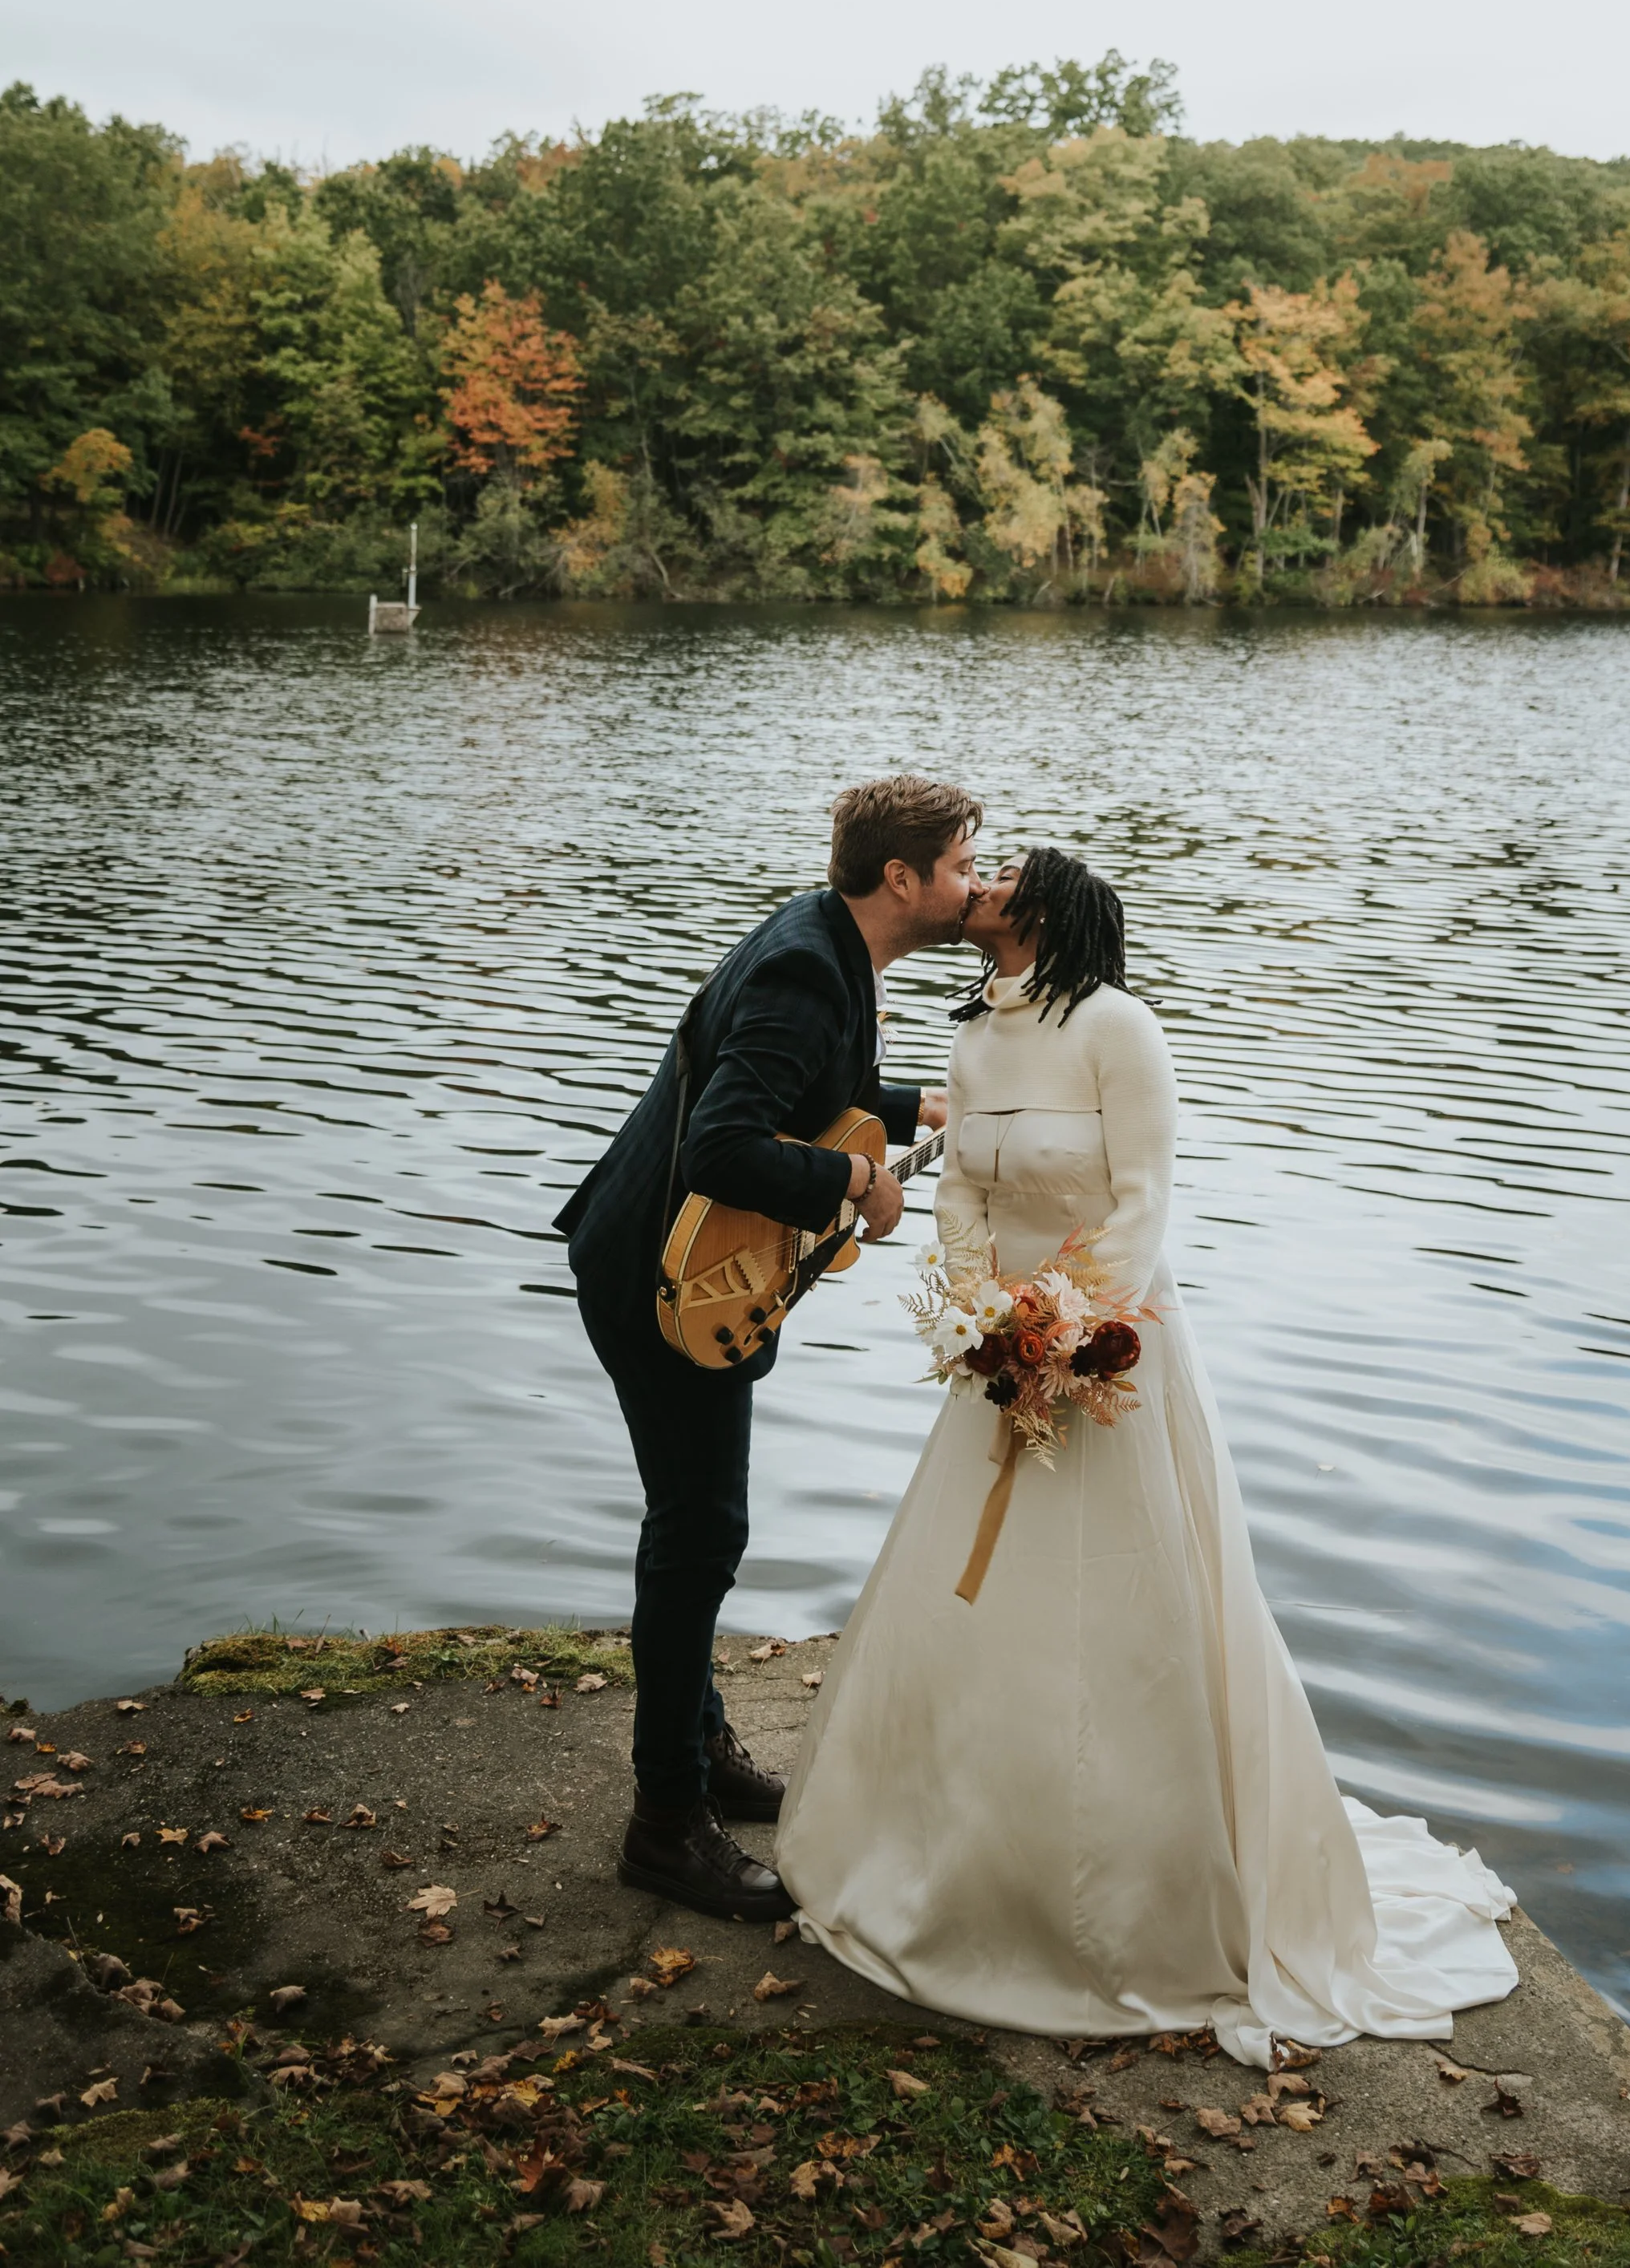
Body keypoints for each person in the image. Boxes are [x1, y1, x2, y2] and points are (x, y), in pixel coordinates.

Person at [776, 846, 1519, 2060]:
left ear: (1053, 909)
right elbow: (960, 1187)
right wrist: (979, 1312)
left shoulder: (1121, 1029)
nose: (986, 881)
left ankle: (1144, 1900)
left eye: (1007, 869)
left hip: (1113, 1351)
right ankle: (941, 1864)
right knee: (968, 1597)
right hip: (996, 1351)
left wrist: (1069, 1331)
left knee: (1119, 1602)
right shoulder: (973, 1042)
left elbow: (1144, 1200)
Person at [556, 775, 982, 1920]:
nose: (974, 885)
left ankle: (702, 1756)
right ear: (903, 878)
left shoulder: (827, 942)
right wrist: (855, 1179)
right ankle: (664, 1824)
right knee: (699, 1530)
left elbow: (810, 1077)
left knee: (698, 1520)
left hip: (677, 1262)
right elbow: (720, 1147)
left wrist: (909, 1110)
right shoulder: (807, 967)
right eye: (960, 866)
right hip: (659, 1271)